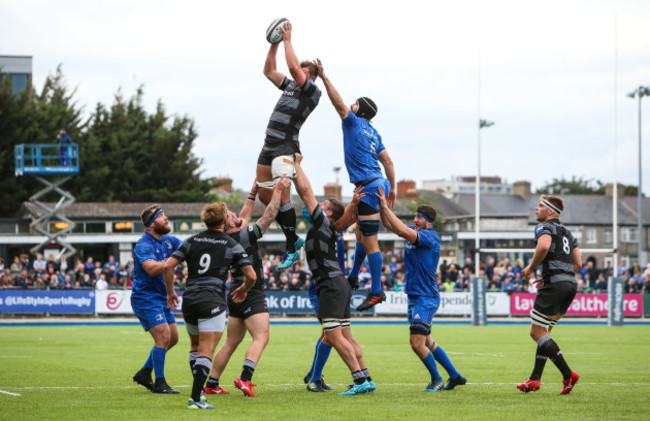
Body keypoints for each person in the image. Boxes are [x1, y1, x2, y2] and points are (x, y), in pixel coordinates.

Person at [315, 59, 396, 311]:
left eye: (355, 103)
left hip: (369, 185)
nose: (350, 103)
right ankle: (352, 277)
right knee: (360, 234)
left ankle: (376, 291)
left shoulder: (352, 122)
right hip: (377, 182)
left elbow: (337, 102)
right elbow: (388, 161)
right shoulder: (374, 132)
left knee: (370, 241)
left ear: (358, 108)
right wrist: (391, 188)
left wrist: (325, 77)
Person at [293, 153, 374, 396]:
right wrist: (353, 203)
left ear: (327, 214)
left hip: (329, 284)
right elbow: (346, 217)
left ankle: (358, 379)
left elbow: (306, 193)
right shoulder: (332, 227)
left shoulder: (322, 224)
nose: (318, 207)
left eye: (323, 207)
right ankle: (366, 378)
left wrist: (296, 165)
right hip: (339, 284)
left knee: (333, 335)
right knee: (345, 335)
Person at [164, 202, 257, 410]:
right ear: (224, 221)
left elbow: (168, 266)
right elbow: (252, 275)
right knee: (207, 350)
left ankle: (199, 394)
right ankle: (196, 398)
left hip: (189, 300)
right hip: (212, 300)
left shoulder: (191, 241)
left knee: (195, 347)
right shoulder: (230, 244)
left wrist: (171, 292)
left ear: (204, 220)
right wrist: (243, 289)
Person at [204, 176, 290, 398]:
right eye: (231, 215)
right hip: (250, 293)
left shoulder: (227, 238)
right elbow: (268, 216)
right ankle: (245, 378)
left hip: (235, 293)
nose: (235, 214)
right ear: (228, 223)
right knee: (262, 337)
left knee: (231, 342)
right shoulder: (245, 235)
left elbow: (244, 216)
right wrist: (278, 191)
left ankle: (212, 383)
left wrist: (252, 194)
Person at [376, 188, 466, 392]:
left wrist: (383, 206)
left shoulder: (429, 237)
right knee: (427, 341)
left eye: (419, 217)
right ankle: (455, 375)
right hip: (416, 295)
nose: (415, 219)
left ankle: (437, 380)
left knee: (416, 343)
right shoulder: (417, 232)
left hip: (425, 297)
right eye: (415, 216)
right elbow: (391, 225)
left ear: (428, 221)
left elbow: (401, 230)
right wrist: (379, 206)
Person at [257, 21, 321, 271]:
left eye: (301, 74)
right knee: (264, 193)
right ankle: (294, 240)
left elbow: (293, 66)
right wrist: (273, 45)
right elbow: (269, 70)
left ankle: (291, 246)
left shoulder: (312, 92)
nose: (296, 76)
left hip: (286, 144)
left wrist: (287, 39)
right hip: (268, 143)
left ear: (310, 77)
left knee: (282, 190)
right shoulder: (292, 85)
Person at [518, 195, 581, 395]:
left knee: (536, 333)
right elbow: (577, 263)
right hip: (570, 285)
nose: (536, 209)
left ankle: (568, 374)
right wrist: (557, 274)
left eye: (540, 206)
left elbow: (544, 246)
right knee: (544, 333)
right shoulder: (569, 234)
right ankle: (535, 379)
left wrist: (529, 269)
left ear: (550, 211)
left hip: (555, 286)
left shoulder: (544, 228)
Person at [131, 204, 182, 394]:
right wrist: (173, 262)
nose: (166, 218)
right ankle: (160, 383)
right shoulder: (144, 244)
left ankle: (145, 372)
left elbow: (188, 248)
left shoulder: (169, 240)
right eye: (162, 216)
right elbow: (152, 269)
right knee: (163, 336)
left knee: (173, 338)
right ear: (151, 225)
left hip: (160, 298)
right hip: (145, 298)